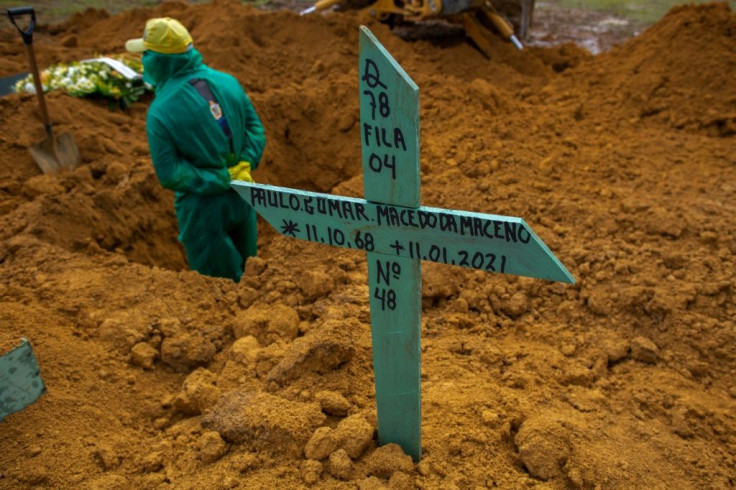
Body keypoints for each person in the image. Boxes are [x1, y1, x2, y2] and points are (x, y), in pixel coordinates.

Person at [126, 17, 266, 283]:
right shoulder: (229, 83)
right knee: (251, 276)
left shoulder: (161, 111)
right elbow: (256, 130)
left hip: (203, 210)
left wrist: (218, 180)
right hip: (244, 194)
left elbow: (169, 173)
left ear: (158, 60)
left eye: (145, 54)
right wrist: (242, 167)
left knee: (217, 287)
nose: (142, 60)